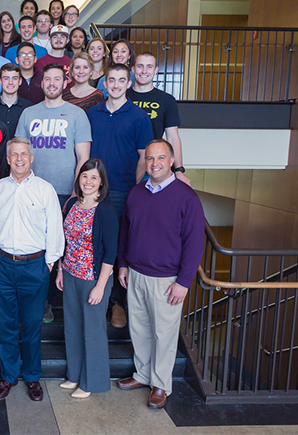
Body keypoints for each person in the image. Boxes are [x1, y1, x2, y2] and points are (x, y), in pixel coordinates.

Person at [116, 139, 204, 409]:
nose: (154, 163)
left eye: (161, 158)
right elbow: (125, 232)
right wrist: (123, 264)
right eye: (150, 158)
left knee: (164, 335)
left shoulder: (187, 197)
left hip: (167, 281)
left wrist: (183, 282)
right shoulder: (137, 192)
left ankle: (160, 385)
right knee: (139, 329)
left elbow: (195, 243)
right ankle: (143, 375)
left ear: (172, 161)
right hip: (136, 274)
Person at [0, 137, 64, 403]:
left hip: (35, 265)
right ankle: (8, 376)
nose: (19, 159)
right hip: (4, 263)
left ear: (32, 158)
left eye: (24, 154)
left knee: (31, 325)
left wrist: (50, 262)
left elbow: (55, 227)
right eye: (14, 155)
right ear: (7, 159)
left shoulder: (45, 189)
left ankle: (32, 377)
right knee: (7, 324)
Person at [16, 62, 92, 323]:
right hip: (32, 191)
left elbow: (83, 157)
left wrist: (76, 193)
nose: (51, 84)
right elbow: (18, 153)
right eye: (47, 79)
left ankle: (62, 300)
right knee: (35, 247)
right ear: (41, 82)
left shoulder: (77, 115)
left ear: (65, 82)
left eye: (56, 79)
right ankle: (42, 301)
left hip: (63, 193)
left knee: (62, 247)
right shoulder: (28, 114)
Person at [87, 63, 153, 329]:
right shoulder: (93, 113)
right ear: (105, 83)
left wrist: (133, 188)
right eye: (111, 80)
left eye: (121, 80)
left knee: (117, 248)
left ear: (129, 83)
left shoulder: (139, 117)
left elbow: (142, 157)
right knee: (93, 244)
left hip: (122, 191)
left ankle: (117, 303)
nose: (115, 84)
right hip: (93, 190)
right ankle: (94, 295)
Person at [56, 158, 118, 398]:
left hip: (93, 278)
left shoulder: (105, 210)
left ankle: (91, 382)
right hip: (70, 274)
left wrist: (100, 286)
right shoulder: (72, 204)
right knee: (72, 327)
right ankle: (75, 375)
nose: (88, 181)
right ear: (78, 179)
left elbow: (111, 252)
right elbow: (64, 241)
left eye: (94, 177)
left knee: (92, 330)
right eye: (85, 176)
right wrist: (61, 269)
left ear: (101, 182)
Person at [127, 52, 190, 185]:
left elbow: (172, 137)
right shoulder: (122, 97)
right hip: (123, 166)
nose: (144, 71)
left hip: (152, 169)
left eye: (149, 67)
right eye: (140, 66)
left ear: (156, 70)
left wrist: (179, 170)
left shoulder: (167, 100)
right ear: (133, 69)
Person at [0, 63, 33, 139]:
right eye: (6, 78)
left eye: (14, 78)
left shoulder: (29, 108)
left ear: (20, 81)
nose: (10, 82)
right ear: (0, 81)